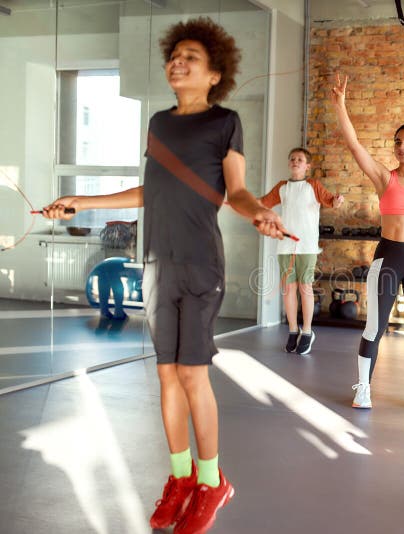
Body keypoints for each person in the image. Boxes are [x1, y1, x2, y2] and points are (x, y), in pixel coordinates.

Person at [42, 17, 288, 533]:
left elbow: (237, 190)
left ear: (214, 74)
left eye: (191, 57)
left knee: (193, 373)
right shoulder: (158, 123)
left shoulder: (225, 122)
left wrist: (258, 212)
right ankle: (179, 479)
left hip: (201, 262)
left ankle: (210, 480)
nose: (178, 62)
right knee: (165, 374)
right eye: (174, 55)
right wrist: (79, 200)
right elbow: (147, 190)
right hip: (156, 261)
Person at [331, 73, 404, 412]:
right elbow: (354, 146)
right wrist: (341, 106)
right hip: (388, 259)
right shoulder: (385, 178)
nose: (401, 146)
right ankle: (363, 387)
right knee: (374, 327)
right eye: (397, 141)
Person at [259, 147, 344, 355]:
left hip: (306, 245)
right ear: (289, 163)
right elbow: (262, 203)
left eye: (300, 159)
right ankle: (292, 330)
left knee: (305, 287)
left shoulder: (313, 185)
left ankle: (307, 331)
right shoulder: (282, 187)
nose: (295, 162)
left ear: (307, 166)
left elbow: (330, 201)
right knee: (288, 289)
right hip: (286, 246)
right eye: (292, 159)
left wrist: (337, 200)